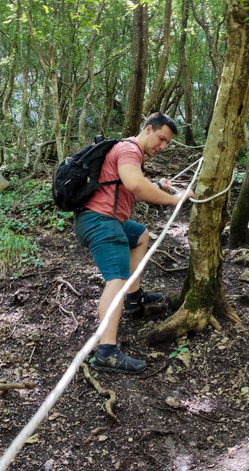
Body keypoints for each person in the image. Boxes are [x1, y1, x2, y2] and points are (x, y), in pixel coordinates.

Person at [74, 113, 194, 374]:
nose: (162, 146)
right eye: (161, 139)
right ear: (148, 129)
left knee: (140, 235)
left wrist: (158, 185)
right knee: (116, 280)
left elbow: (127, 190)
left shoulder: (129, 152)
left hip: (103, 219)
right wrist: (175, 199)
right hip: (101, 221)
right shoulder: (130, 150)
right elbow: (135, 186)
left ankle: (134, 300)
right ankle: (106, 352)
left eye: (167, 143)